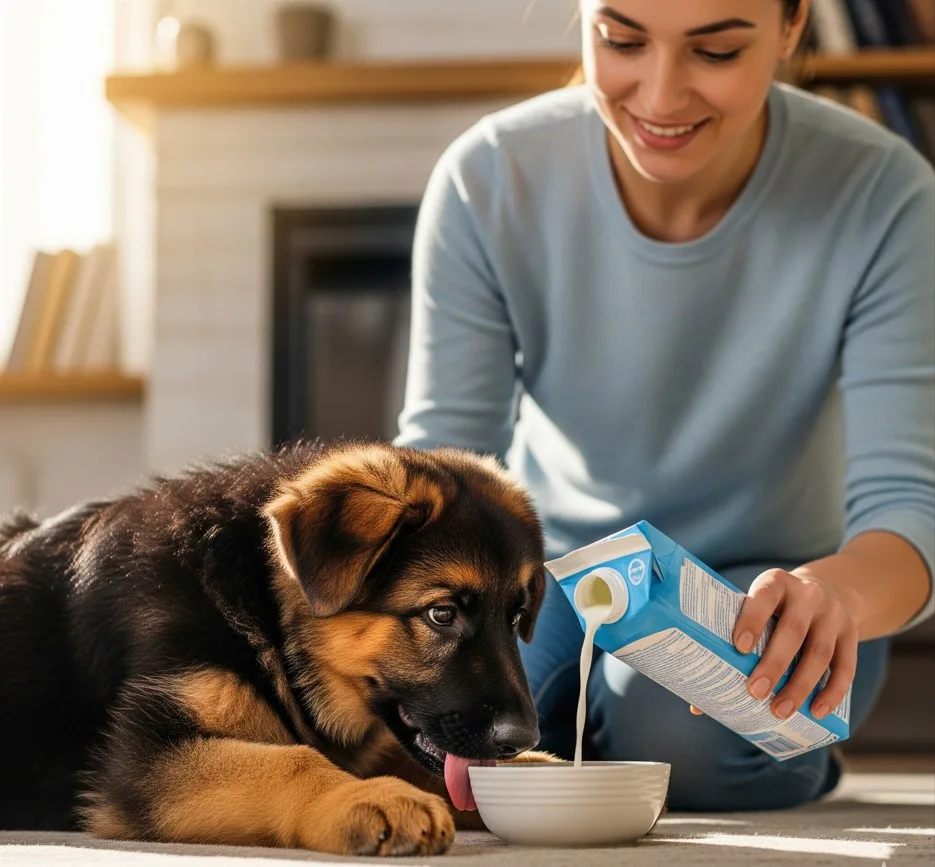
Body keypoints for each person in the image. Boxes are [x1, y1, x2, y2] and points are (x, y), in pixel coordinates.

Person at [394, 0, 935, 811]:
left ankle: (660, 735)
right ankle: (590, 724)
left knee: (674, 733)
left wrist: (836, 597)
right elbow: (440, 469)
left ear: (791, 28)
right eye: (620, 40)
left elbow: (908, 505)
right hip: (550, 582)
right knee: (425, 742)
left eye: (714, 51)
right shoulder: (488, 178)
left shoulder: (885, 194)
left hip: (771, 589)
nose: (659, 95)